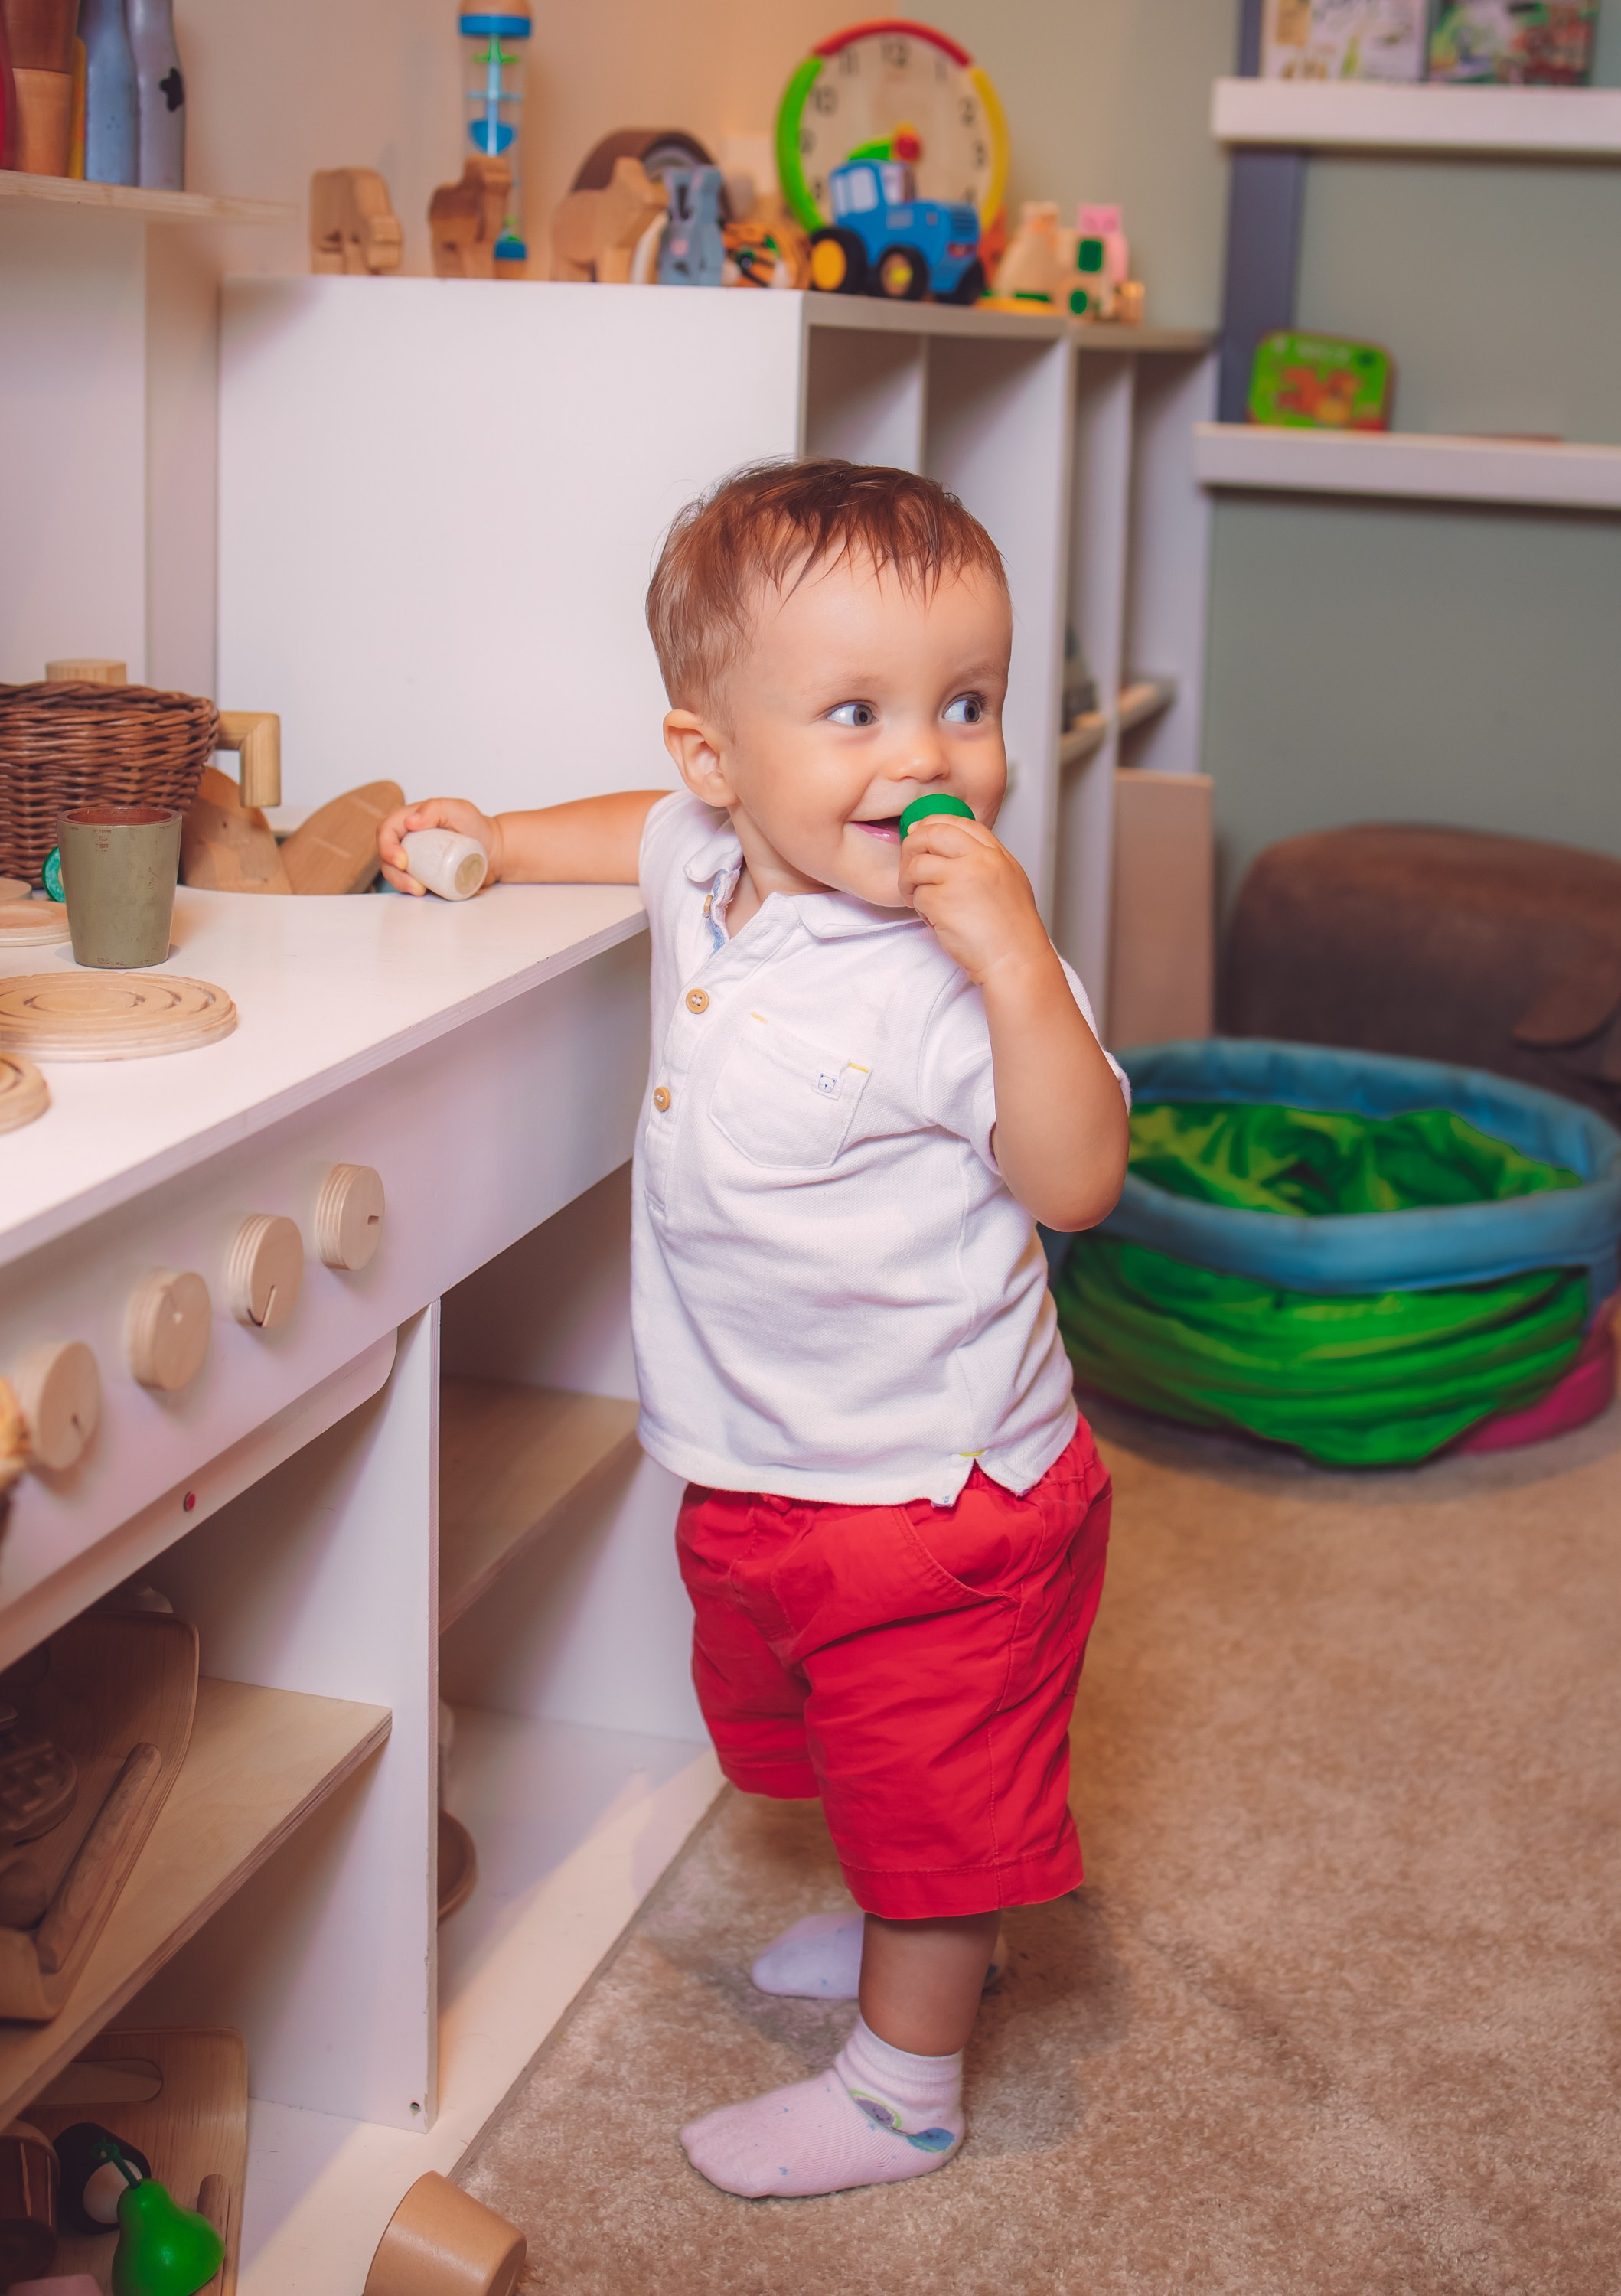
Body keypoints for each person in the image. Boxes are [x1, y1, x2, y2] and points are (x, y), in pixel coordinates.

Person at [377, 458, 1130, 2199]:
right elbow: (623, 824)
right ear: (718, 757)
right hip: (767, 1463)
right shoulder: (704, 854)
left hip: (944, 1499)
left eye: (967, 704)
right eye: (857, 711)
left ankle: (904, 2079)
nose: (928, 758)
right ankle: (913, 1921)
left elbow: (1076, 1178)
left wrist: (1022, 971)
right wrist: (490, 838)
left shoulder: (957, 978)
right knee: (836, 1755)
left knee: (934, 1791)